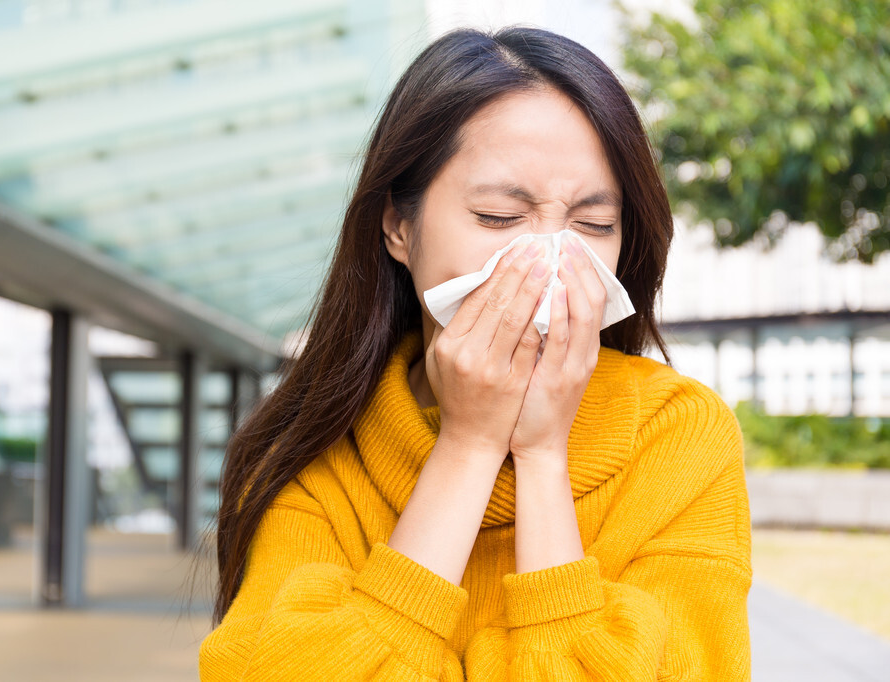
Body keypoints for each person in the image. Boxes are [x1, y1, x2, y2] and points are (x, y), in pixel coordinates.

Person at [198, 26, 751, 681]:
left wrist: (541, 457)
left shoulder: (677, 434)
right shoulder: (315, 456)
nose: (548, 261)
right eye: (497, 217)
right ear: (398, 226)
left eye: (593, 225)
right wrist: (467, 445)